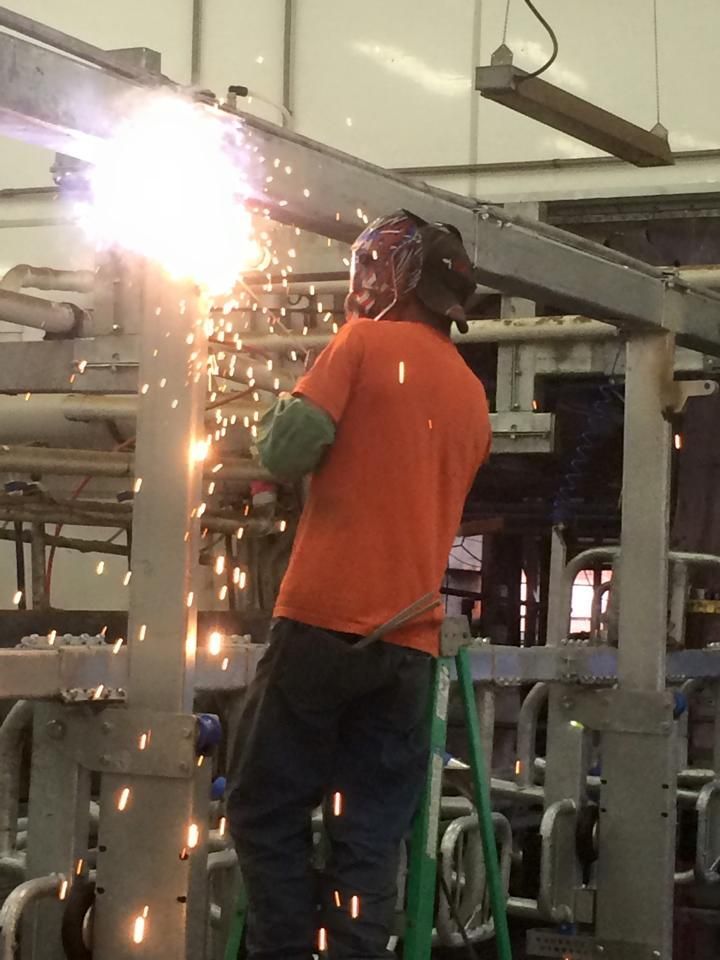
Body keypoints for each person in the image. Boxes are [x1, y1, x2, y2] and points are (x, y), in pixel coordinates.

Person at [227, 209, 492, 960]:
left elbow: (288, 447)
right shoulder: (473, 395)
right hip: (411, 643)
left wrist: (264, 424)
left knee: (261, 808)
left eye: (377, 270)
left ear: (403, 278)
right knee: (367, 838)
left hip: (323, 624)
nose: (364, 285)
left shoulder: (363, 343)